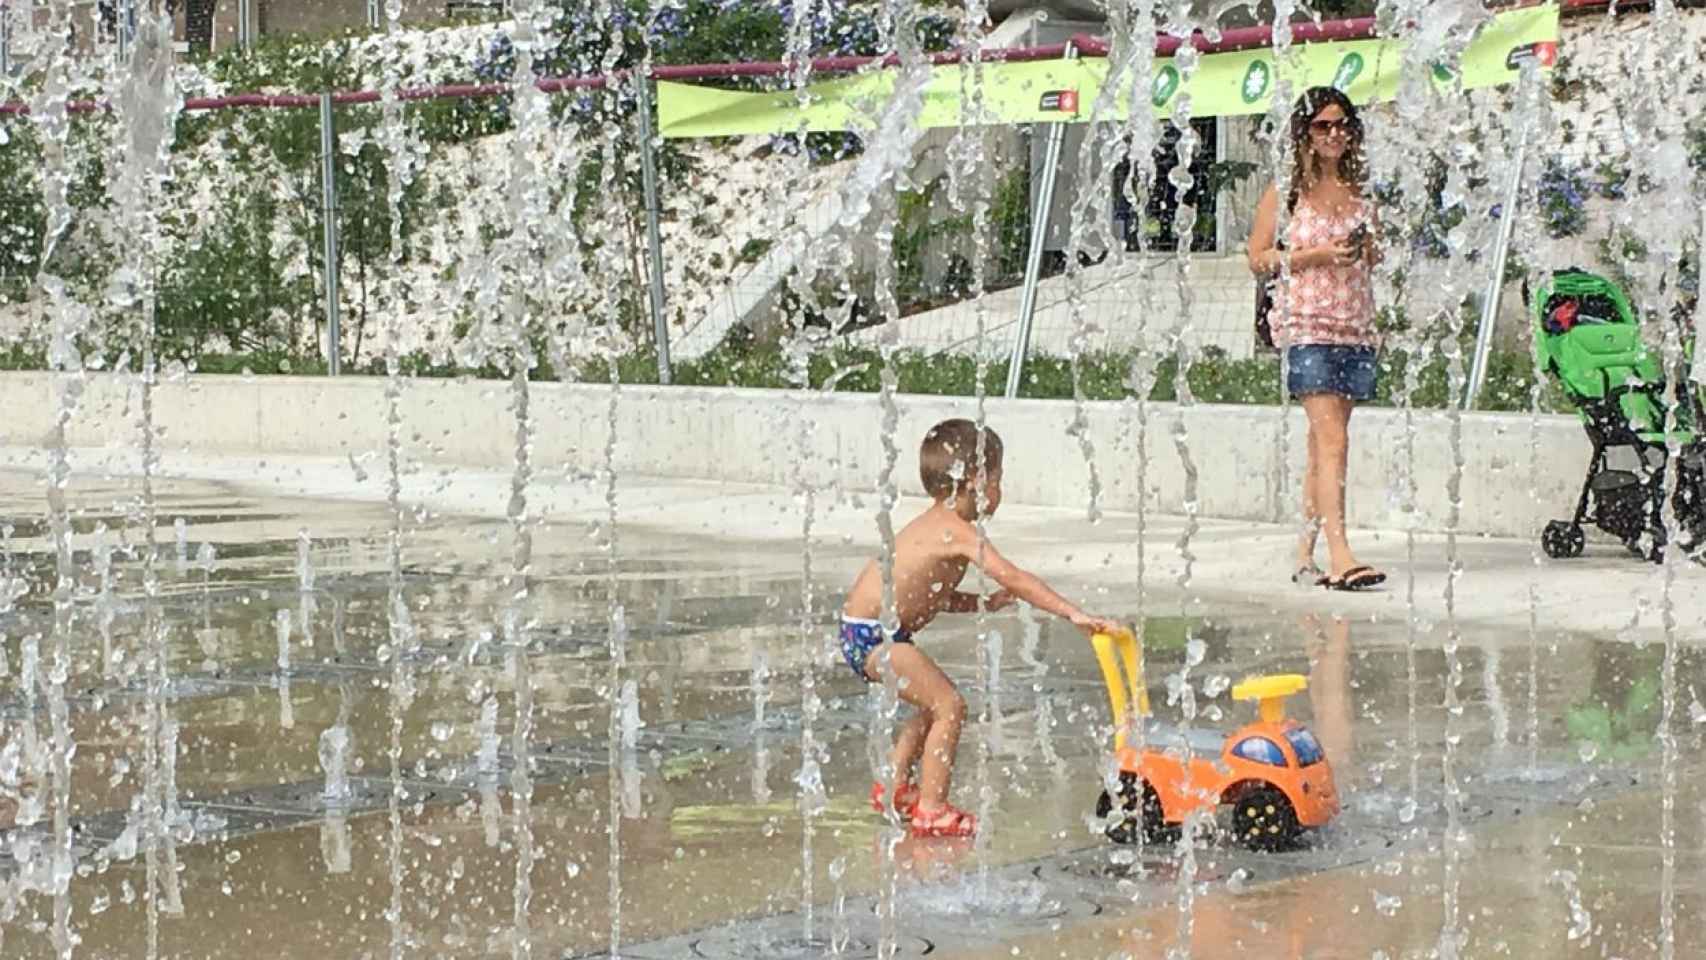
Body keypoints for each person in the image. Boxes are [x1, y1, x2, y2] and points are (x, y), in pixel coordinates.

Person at [840, 418, 1121, 837]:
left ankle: (894, 788)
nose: (999, 490)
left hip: (869, 633)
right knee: (950, 707)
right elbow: (1015, 576)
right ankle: (931, 808)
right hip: (874, 637)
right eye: (998, 479)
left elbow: (929, 593)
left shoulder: (934, 526)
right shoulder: (955, 532)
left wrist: (982, 604)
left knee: (930, 707)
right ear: (975, 480)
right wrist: (1072, 613)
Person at [1247, 86, 1387, 592]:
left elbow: (1379, 254)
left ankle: (1304, 552)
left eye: (1342, 124)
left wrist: (1363, 250)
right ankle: (1341, 555)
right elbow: (1258, 257)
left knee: (1321, 448)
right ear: (1304, 133)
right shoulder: (1285, 192)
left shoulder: (1361, 191)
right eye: (1323, 126)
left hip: (1355, 325)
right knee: (1334, 441)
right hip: (1305, 325)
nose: (1334, 134)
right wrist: (1315, 255)